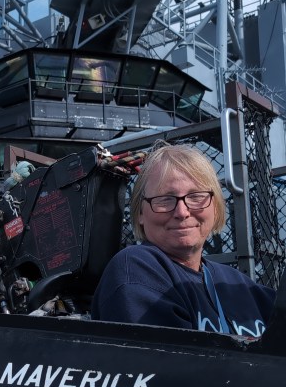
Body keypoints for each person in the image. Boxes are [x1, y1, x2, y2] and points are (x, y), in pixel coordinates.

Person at [92, 142, 275, 337]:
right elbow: (173, 362)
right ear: (140, 214)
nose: (182, 212)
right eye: (164, 199)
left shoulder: (237, 283)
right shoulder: (135, 269)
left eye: (196, 197)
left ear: (215, 206)